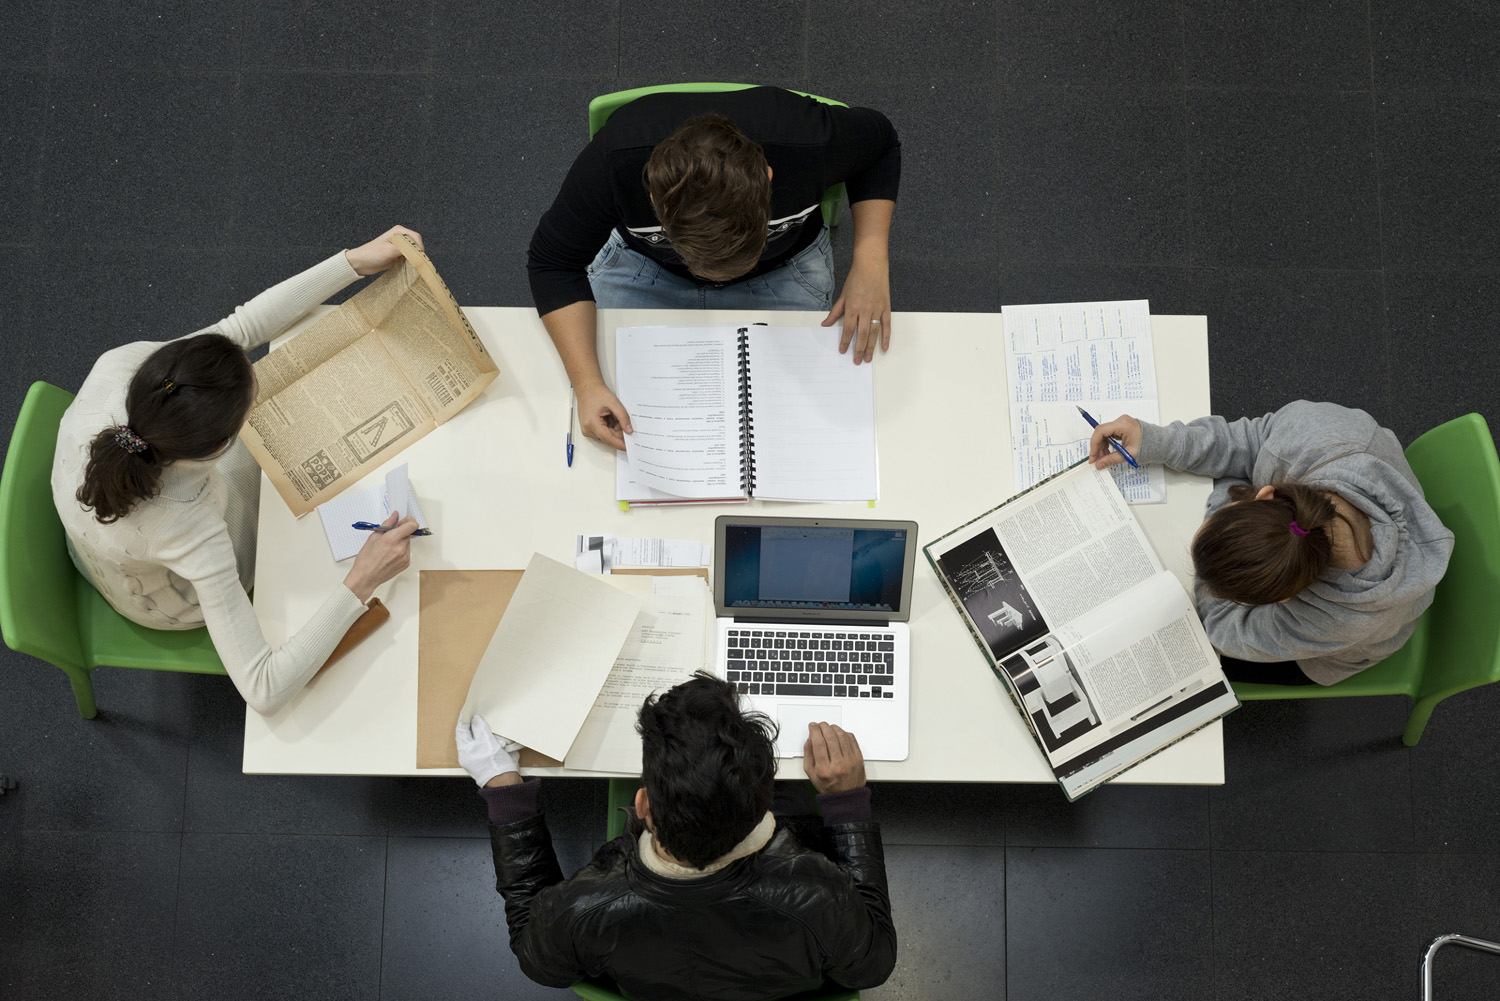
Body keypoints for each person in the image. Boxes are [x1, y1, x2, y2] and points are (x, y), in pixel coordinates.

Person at [51, 227, 426, 715]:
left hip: (103, 540)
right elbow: (263, 690)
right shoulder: (193, 530)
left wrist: (353, 262)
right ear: (217, 449)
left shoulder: (122, 369)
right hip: (159, 599)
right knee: (299, 536)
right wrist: (362, 580)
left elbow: (242, 327)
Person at [456, 672, 896, 1000]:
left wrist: (505, 795)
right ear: (767, 807)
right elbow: (870, 968)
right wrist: (848, 803)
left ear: (642, 806)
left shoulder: (582, 909)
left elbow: (538, 961)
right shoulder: (819, 897)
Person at [527, 86, 901, 451]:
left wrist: (870, 263)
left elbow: (881, 145)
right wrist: (588, 384)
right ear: (654, 197)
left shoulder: (810, 140)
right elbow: (553, 263)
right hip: (646, 267)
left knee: (794, 424)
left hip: (782, 269)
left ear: (768, 177)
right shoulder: (615, 160)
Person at [1088, 401, 1454, 685]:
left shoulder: (1336, 621)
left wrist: (1223, 495)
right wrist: (1157, 441)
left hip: (1338, 651)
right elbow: (1249, 440)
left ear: (1283, 599)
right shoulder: (1318, 434)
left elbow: (1225, 632)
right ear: (1265, 496)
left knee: (1193, 662)